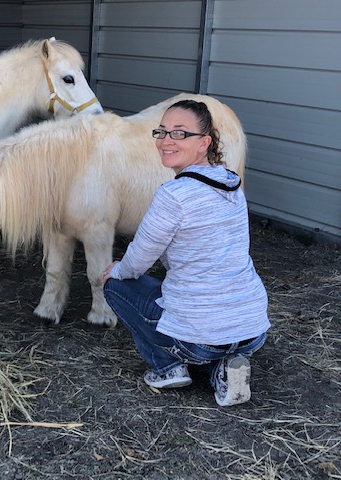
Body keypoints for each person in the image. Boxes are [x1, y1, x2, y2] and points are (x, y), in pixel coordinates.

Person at [102, 99, 270, 407]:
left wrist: (116, 270)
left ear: (204, 142)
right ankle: (225, 366)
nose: (166, 141)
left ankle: (168, 367)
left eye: (180, 134)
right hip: (252, 330)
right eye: (162, 132)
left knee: (115, 284)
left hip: (199, 338)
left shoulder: (173, 195)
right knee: (189, 298)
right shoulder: (232, 183)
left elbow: (138, 261)